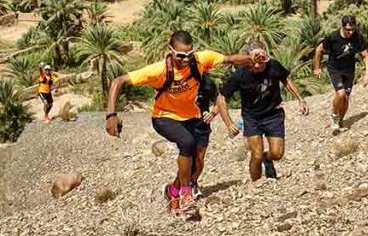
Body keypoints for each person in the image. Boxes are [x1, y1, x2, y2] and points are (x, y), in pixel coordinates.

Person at [104, 30, 266, 213]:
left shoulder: (200, 60)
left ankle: (172, 190)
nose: (185, 60)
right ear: (170, 50)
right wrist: (111, 115)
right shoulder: (158, 70)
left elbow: (229, 59)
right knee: (187, 143)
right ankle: (186, 193)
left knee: (196, 163)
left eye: (189, 55)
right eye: (180, 56)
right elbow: (118, 81)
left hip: (190, 117)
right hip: (164, 117)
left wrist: (251, 58)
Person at [217, 41, 309, 181]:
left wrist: (300, 99)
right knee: (256, 155)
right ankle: (257, 184)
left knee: (277, 154)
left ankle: (268, 159)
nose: (258, 65)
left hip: (273, 114)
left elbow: (285, 79)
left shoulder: (274, 66)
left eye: (262, 61)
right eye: (254, 62)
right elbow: (222, 98)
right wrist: (229, 123)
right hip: (252, 118)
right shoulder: (240, 75)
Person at [313, 15, 368, 132]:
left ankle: (340, 121)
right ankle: (334, 115)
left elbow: (365, 55)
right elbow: (319, 50)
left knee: (346, 98)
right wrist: (317, 68)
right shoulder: (333, 37)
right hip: (335, 69)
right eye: (348, 30)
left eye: (352, 29)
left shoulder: (357, 37)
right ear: (342, 27)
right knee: (340, 93)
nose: (350, 32)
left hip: (349, 70)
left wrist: (367, 73)